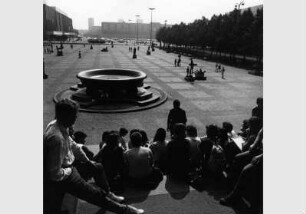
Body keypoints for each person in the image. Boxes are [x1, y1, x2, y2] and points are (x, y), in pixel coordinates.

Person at [44, 99, 144, 214]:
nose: (76, 118)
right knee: (94, 195)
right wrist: (70, 170)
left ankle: (109, 194)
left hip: (67, 167)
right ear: (66, 116)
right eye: (74, 116)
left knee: (97, 167)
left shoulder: (57, 124)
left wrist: (87, 162)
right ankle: (127, 210)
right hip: (64, 175)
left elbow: (73, 145)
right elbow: (54, 174)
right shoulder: (57, 139)